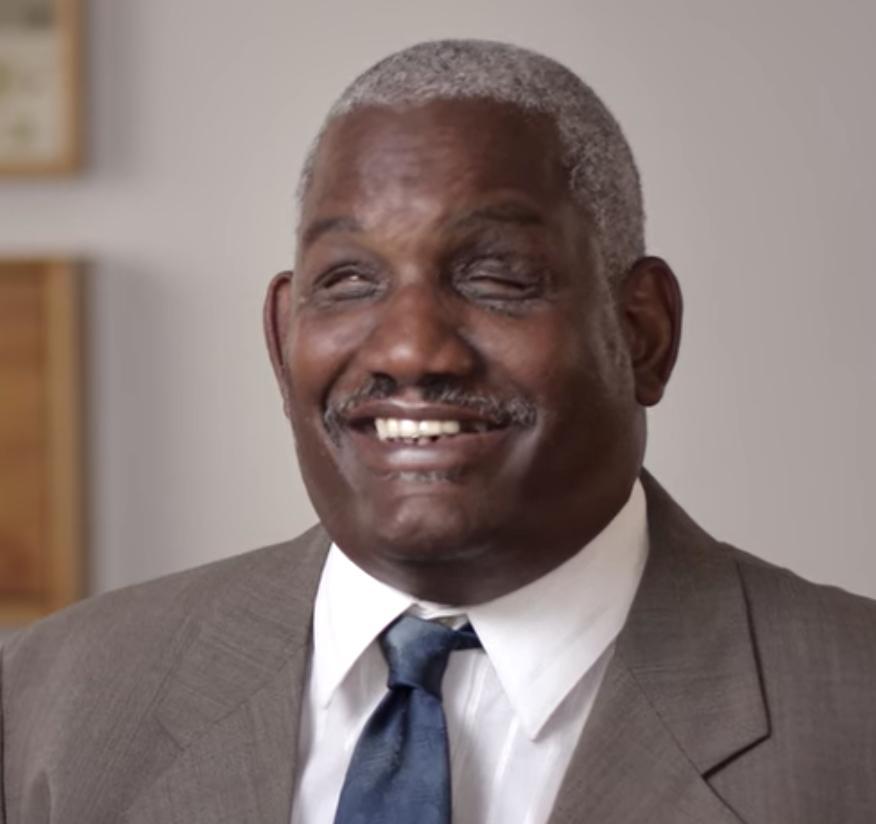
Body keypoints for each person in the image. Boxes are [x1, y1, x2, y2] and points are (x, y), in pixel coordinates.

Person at [1, 39, 874, 824]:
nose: (412, 347)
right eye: (347, 280)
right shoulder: (55, 700)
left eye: (496, 276)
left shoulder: (853, 716)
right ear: (279, 338)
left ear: (643, 331)